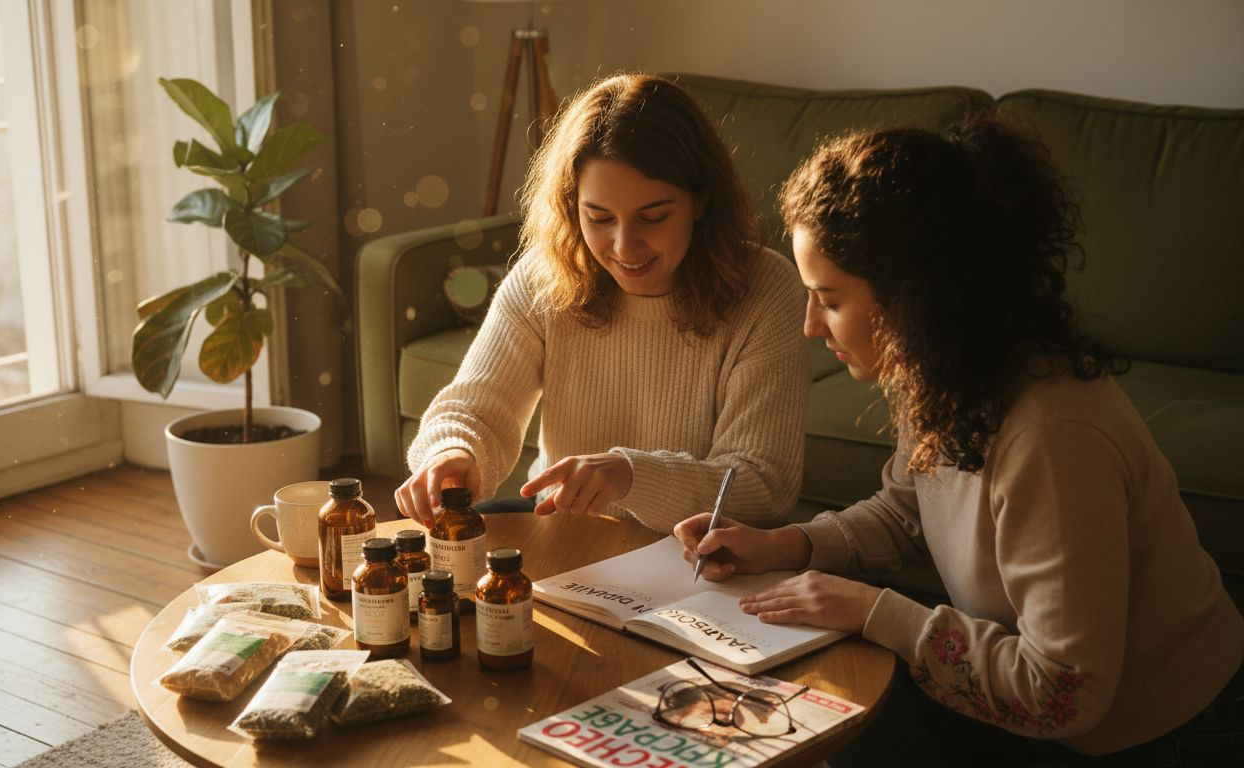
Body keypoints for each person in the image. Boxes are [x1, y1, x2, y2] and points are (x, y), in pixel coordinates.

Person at [675, 117, 1244, 765]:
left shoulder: (1051, 436)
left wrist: (871, 610)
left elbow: (1063, 693)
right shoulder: (949, 370)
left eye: (828, 300)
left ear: (911, 301)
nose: (810, 326)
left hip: (1156, 735)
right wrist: (789, 544)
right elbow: (908, 510)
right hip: (1043, 697)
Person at [395, 73, 810, 533]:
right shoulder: (546, 273)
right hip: (566, 534)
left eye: (653, 217)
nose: (625, 247)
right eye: (599, 217)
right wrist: (452, 451)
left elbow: (761, 486)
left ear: (702, 200)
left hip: (692, 556)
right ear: (573, 205)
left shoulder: (766, 289)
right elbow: (476, 406)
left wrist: (632, 477)